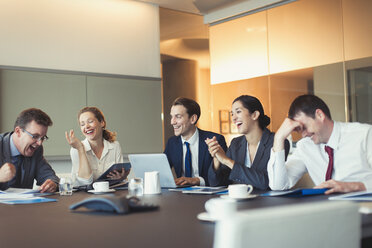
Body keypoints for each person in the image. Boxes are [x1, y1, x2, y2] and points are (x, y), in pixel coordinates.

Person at [268, 94, 372, 194]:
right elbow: (279, 186)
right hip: (328, 209)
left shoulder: (364, 134)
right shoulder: (305, 146)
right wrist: (279, 138)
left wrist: (354, 186)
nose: (303, 135)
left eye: (304, 127)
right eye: (299, 130)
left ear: (320, 115)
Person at [206, 95, 290, 190]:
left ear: (254, 115)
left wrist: (227, 161)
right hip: (240, 203)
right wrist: (217, 157)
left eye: (238, 112)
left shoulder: (277, 142)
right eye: (232, 114)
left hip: (267, 203)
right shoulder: (235, 143)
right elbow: (215, 184)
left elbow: (267, 182)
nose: (233, 118)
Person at [164, 97, 227, 186]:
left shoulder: (215, 140)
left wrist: (197, 180)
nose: (172, 122)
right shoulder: (172, 143)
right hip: (180, 196)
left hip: (207, 195)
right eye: (172, 116)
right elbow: (162, 171)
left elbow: (223, 178)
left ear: (193, 119)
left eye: (178, 117)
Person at [66, 107, 128, 187]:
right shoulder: (76, 149)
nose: (86, 126)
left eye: (90, 121)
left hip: (109, 194)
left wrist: (120, 178)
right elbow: (85, 182)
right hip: (84, 196)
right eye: (82, 124)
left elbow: (121, 179)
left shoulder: (115, 146)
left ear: (102, 123)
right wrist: (80, 148)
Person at [0, 108, 59, 192]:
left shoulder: (36, 149)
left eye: (42, 138)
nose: (39, 143)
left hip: (25, 204)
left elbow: (49, 176)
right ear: (18, 132)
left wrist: (52, 183)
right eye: (35, 136)